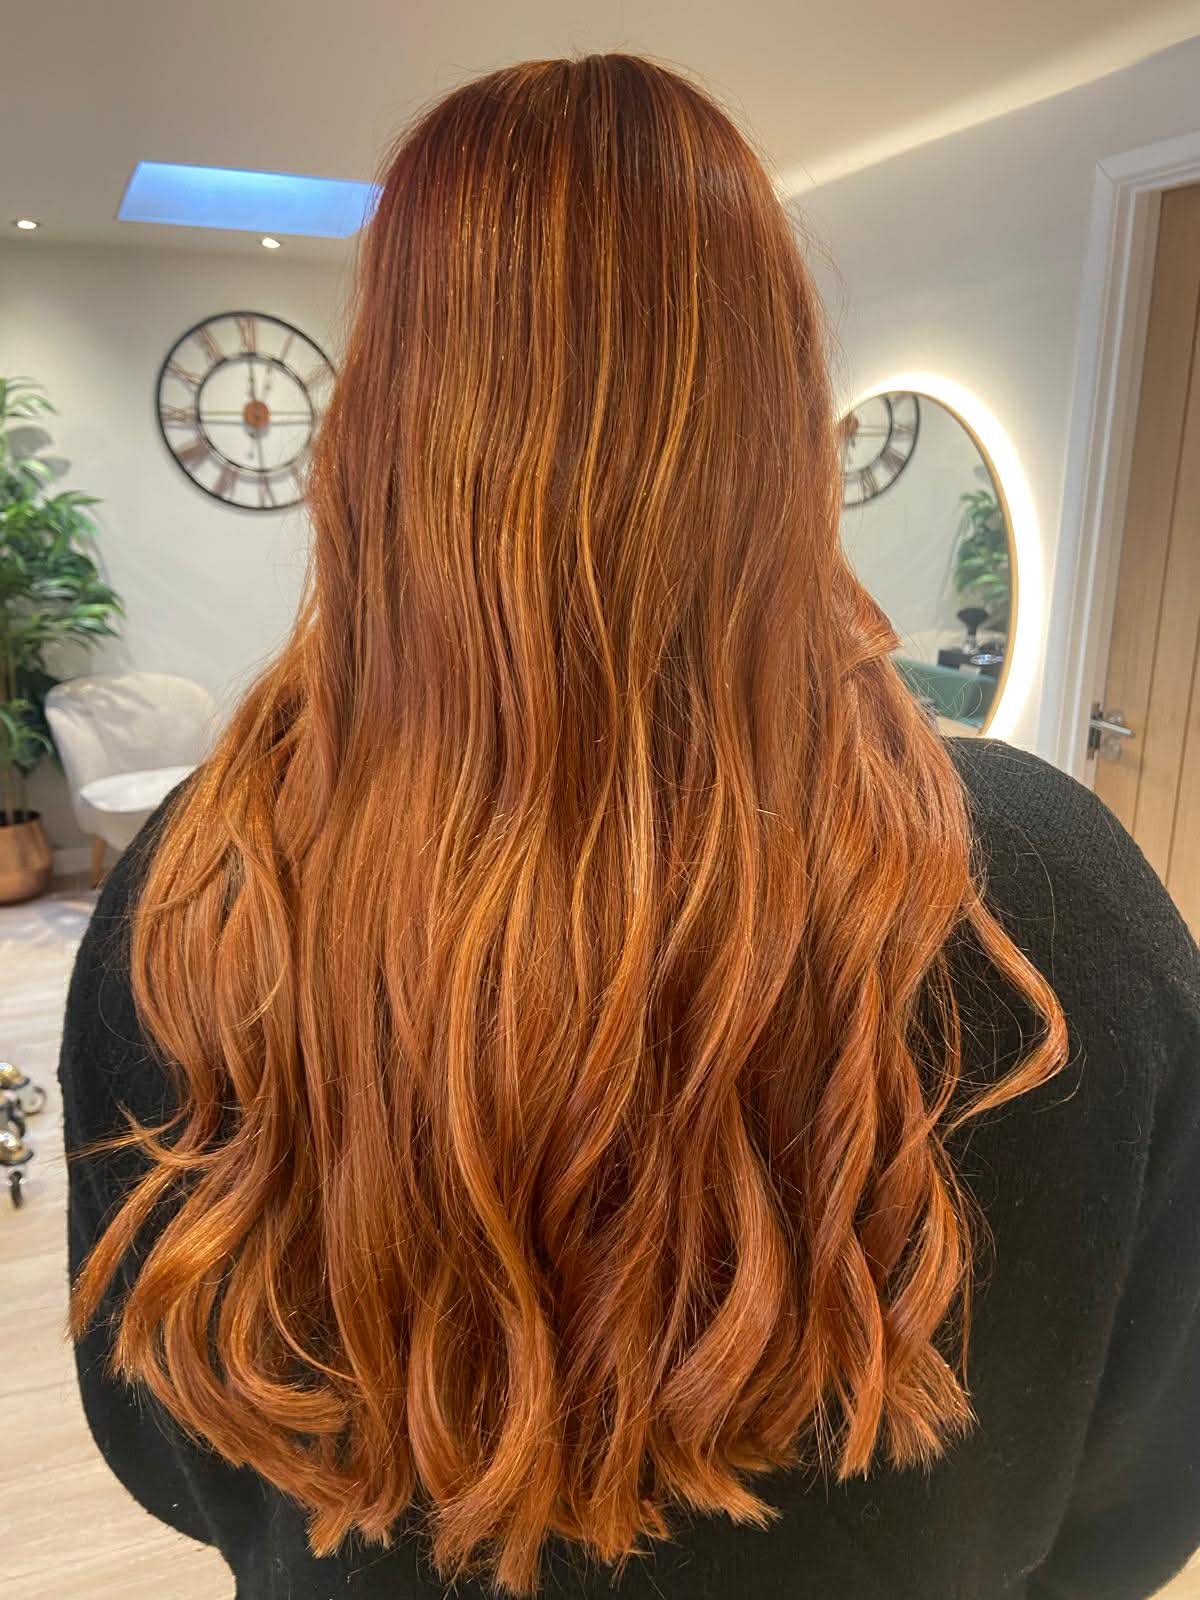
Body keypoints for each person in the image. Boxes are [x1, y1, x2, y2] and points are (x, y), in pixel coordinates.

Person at [61, 53, 1200, 1600]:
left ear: (379, 431)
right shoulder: (1061, 898)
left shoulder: (206, 887)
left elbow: (162, 1448)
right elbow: (1137, 1509)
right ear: (778, 416)